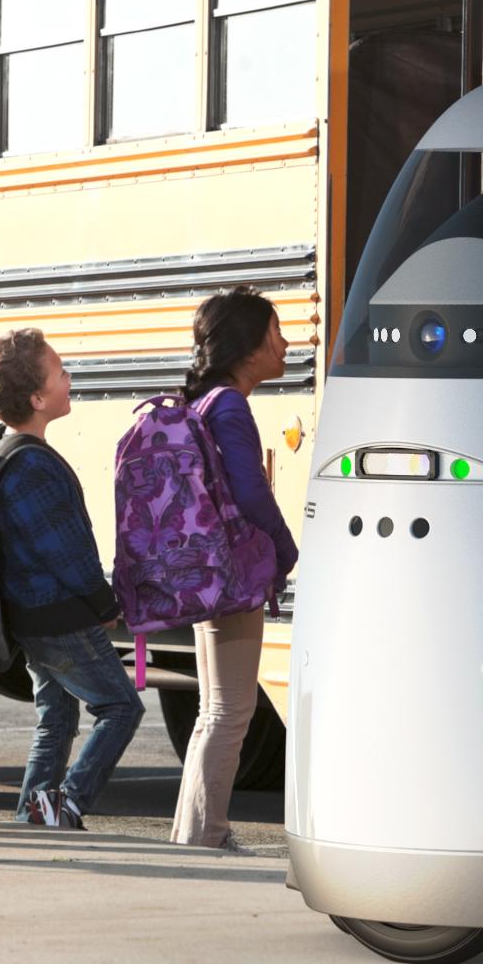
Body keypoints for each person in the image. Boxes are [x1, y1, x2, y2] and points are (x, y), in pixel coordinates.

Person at [0, 329, 144, 829]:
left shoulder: (5, 450)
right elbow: (63, 550)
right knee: (120, 706)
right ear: (38, 398)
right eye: (62, 373)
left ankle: (34, 814)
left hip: (31, 614)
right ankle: (67, 803)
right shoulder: (33, 466)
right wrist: (104, 602)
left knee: (57, 718)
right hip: (60, 614)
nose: (70, 380)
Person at [170, 288, 299, 851]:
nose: (287, 342)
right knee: (230, 711)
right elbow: (248, 489)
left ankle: (193, 831)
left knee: (212, 710)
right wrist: (284, 549)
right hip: (234, 574)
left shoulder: (206, 402)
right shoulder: (228, 406)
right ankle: (208, 833)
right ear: (248, 346)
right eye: (276, 331)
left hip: (210, 571)